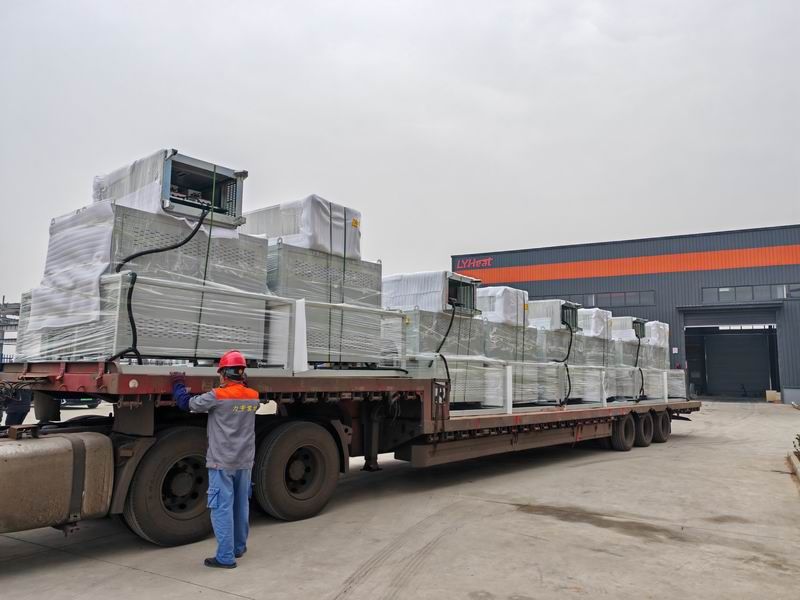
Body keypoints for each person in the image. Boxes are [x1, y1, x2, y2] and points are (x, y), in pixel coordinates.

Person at [170, 350, 260, 569]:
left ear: (224, 374)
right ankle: (238, 547)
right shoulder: (253, 396)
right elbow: (243, 398)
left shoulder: (217, 396)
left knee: (221, 507)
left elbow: (187, 404)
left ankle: (225, 557)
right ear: (242, 373)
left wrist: (177, 383)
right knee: (241, 505)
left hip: (222, 462)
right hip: (245, 461)